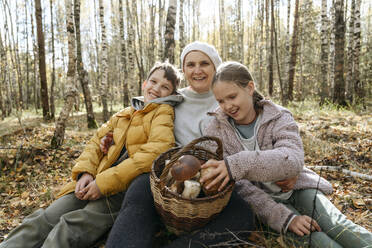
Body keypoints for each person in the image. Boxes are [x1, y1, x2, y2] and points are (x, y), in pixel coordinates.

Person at [0, 62, 183, 248]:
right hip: (94, 179)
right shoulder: (124, 114)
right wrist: (85, 173)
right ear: (144, 83)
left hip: (121, 190)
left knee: (72, 226)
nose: (156, 89)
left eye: (165, 87)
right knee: (45, 218)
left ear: (172, 94)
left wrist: (103, 184)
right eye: (153, 81)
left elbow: (156, 151)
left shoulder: (163, 112)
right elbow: (95, 143)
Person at [200, 61, 372, 248]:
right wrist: (286, 219)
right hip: (268, 206)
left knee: (339, 226)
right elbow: (241, 190)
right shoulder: (216, 130)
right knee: (318, 242)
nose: (227, 106)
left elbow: (293, 159)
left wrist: (237, 164)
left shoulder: (278, 116)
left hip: (299, 188)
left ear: (250, 88)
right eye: (220, 101)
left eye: (232, 97)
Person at [105, 42, 256, 248]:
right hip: (169, 173)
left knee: (243, 216)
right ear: (184, 70)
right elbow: (140, 110)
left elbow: (259, 127)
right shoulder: (174, 98)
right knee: (139, 191)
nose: (197, 70)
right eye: (190, 64)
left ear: (216, 66)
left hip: (217, 177)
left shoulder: (228, 98)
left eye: (204, 63)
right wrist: (113, 138)